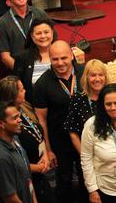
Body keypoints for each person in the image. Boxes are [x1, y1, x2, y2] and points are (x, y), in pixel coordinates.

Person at [33, 40, 85, 203]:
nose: (60, 63)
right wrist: (48, 150)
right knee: (64, 181)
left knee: (89, 178)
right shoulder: (42, 84)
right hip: (60, 141)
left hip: (86, 138)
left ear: (71, 56)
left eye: (64, 58)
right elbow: (41, 119)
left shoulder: (85, 73)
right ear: (49, 58)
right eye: (55, 59)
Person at [0, 77, 54, 203]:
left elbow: (38, 134)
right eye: (21, 90)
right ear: (12, 96)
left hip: (40, 173)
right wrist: (38, 167)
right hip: (24, 180)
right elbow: (14, 163)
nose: (25, 91)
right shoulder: (8, 127)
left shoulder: (24, 107)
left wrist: (46, 156)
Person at [0, 101, 35, 203]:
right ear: (1, 124)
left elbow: (28, 179)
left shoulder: (15, 140)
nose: (20, 120)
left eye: (19, 116)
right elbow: (11, 199)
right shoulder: (0, 157)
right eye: (15, 118)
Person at [0, 0, 50, 70]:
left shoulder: (40, 13)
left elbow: (53, 41)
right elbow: (5, 57)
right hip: (20, 69)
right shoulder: (3, 22)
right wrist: (22, 73)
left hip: (45, 65)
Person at [64, 59, 112, 154]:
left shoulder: (113, 97)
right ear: (86, 77)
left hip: (113, 153)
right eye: (93, 75)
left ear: (105, 77)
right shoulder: (78, 99)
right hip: (88, 153)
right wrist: (84, 155)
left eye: (101, 75)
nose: (97, 79)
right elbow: (72, 131)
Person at [13, 18, 56, 103]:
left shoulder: (62, 51)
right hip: (34, 106)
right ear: (32, 36)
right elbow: (16, 86)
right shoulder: (22, 58)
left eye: (46, 32)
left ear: (52, 33)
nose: (43, 36)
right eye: (38, 33)